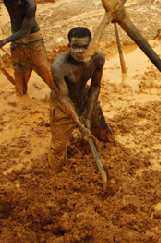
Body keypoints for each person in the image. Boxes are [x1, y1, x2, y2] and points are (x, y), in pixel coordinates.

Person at [48, 27, 113, 172]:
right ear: (68, 47)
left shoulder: (98, 58)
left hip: (84, 96)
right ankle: (54, 172)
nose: (80, 51)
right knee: (58, 149)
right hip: (62, 104)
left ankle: (100, 135)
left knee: (102, 129)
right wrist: (80, 124)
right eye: (75, 47)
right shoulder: (59, 65)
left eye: (85, 47)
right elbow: (64, 98)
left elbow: (95, 87)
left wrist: (88, 117)